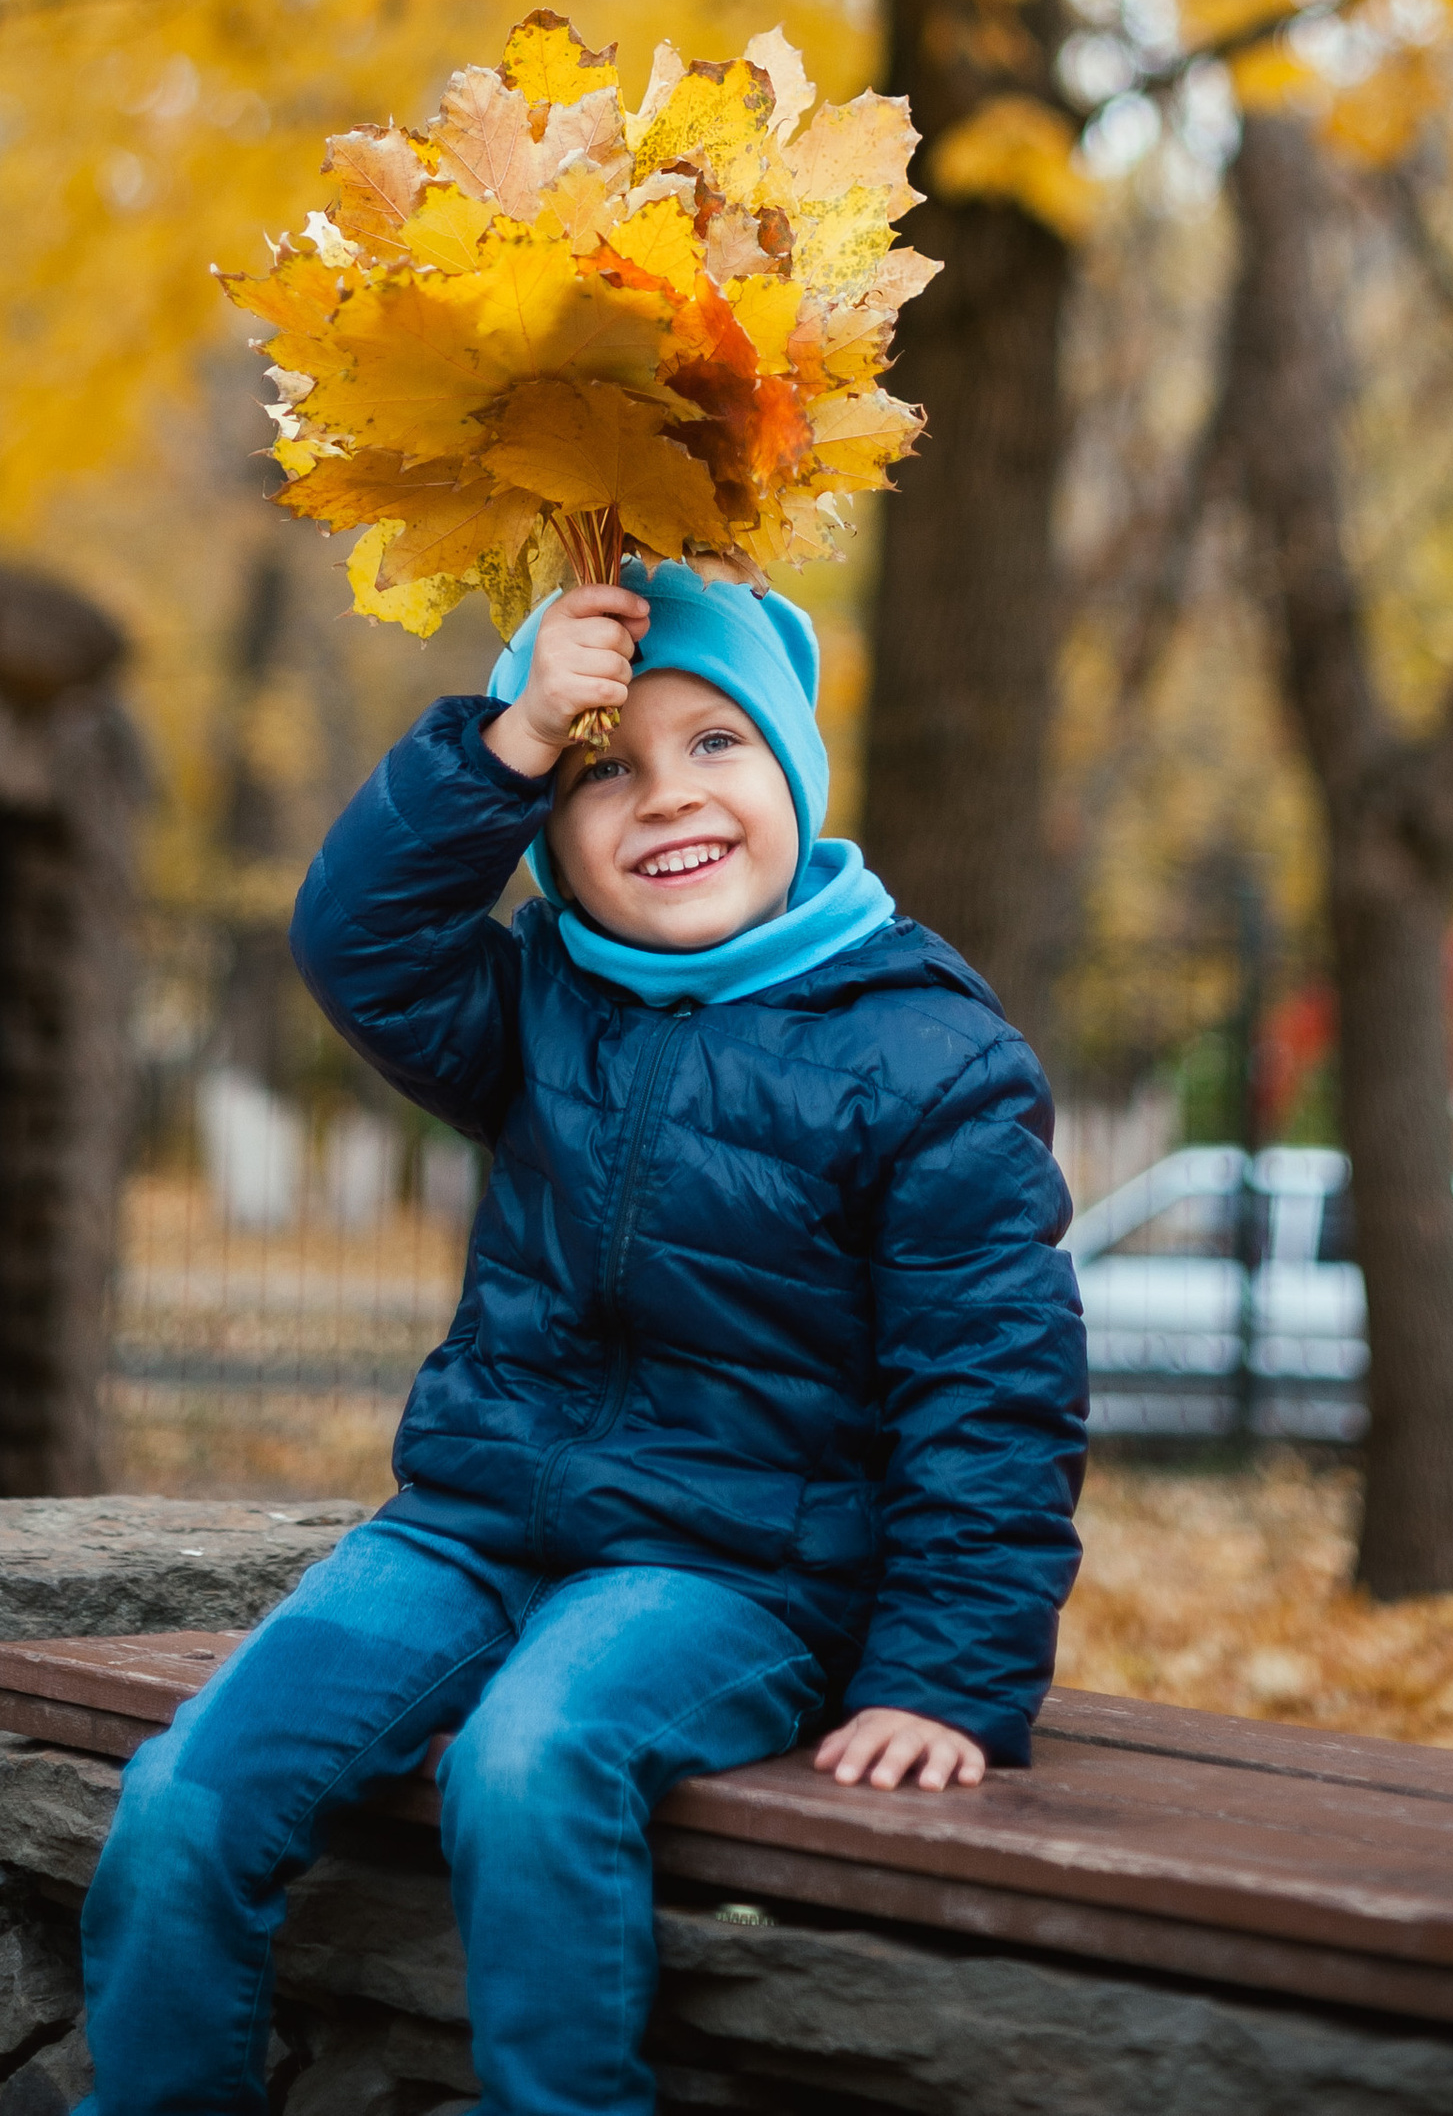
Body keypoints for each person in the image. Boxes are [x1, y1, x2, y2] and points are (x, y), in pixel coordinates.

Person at [78, 558, 1089, 2116]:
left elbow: (994, 1396)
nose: (666, 799)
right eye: (607, 767)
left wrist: (945, 1681)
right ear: (550, 822)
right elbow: (359, 941)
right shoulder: (538, 1003)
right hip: (475, 1532)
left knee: (528, 1763)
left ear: (795, 769)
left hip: (738, 1571)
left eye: (717, 745)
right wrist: (512, 728)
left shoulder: (927, 1056)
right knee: (186, 1799)